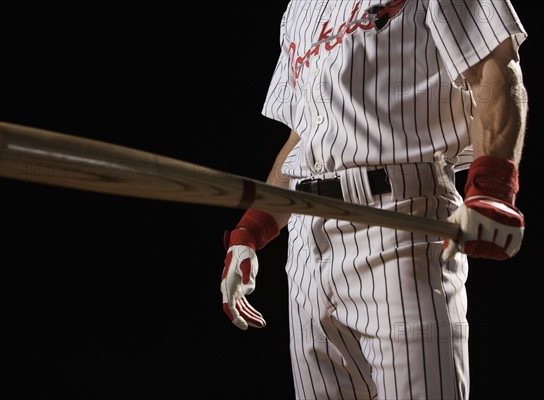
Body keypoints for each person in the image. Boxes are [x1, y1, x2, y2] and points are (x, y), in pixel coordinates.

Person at [220, 1, 528, 399]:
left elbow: (496, 72)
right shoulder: (300, 7)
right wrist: (252, 230)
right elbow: (307, 137)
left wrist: (494, 189)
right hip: (306, 243)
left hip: (400, 222)